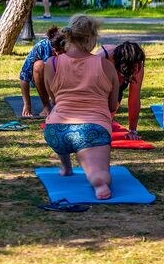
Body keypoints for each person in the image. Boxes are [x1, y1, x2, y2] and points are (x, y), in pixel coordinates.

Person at [42, 15, 119, 199]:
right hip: (91, 129)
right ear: (91, 39)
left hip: (55, 131)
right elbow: (112, 105)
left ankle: (66, 167)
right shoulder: (106, 65)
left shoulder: (51, 63)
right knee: (98, 173)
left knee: (64, 130)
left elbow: (54, 98)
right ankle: (98, 183)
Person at [96, 42, 146, 140]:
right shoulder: (101, 60)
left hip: (114, 83)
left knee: (109, 116)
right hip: (99, 85)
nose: (121, 79)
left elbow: (134, 99)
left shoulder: (137, 68)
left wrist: (132, 130)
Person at [18, 26, 67, 118]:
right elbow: (24, 76)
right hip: (47, 79)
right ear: (53, 48)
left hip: (66, 79)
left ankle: (63, 104)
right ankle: (46, 106)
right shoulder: (41, 47)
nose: (61, 54)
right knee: (38, 65)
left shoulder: (73, 47)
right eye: (58, 51)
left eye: (64, 51)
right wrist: (27, 105)